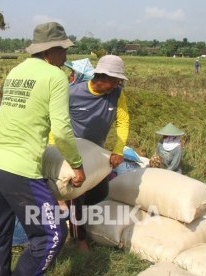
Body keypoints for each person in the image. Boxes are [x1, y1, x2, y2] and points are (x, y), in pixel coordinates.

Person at [0, 22, 86, 276]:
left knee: (1, 230)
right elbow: (61, 129)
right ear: (50, 51)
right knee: (51, 235)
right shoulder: (56, 77)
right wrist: (76, 164)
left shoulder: (17, 70)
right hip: (19, 169)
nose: (66, 56)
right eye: (63, 50)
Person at [67, 54, 130, 252]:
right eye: (114, 80)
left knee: (99, 192)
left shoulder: (117, 94)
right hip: (74, 152)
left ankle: (74, 223)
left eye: (119, 81)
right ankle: (80, 240)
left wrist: (118, 149)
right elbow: (55, 123)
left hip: (97, 153)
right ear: (100, 77)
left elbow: (123, 121)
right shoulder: (73, 94)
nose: (117, 85)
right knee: (78, 195)